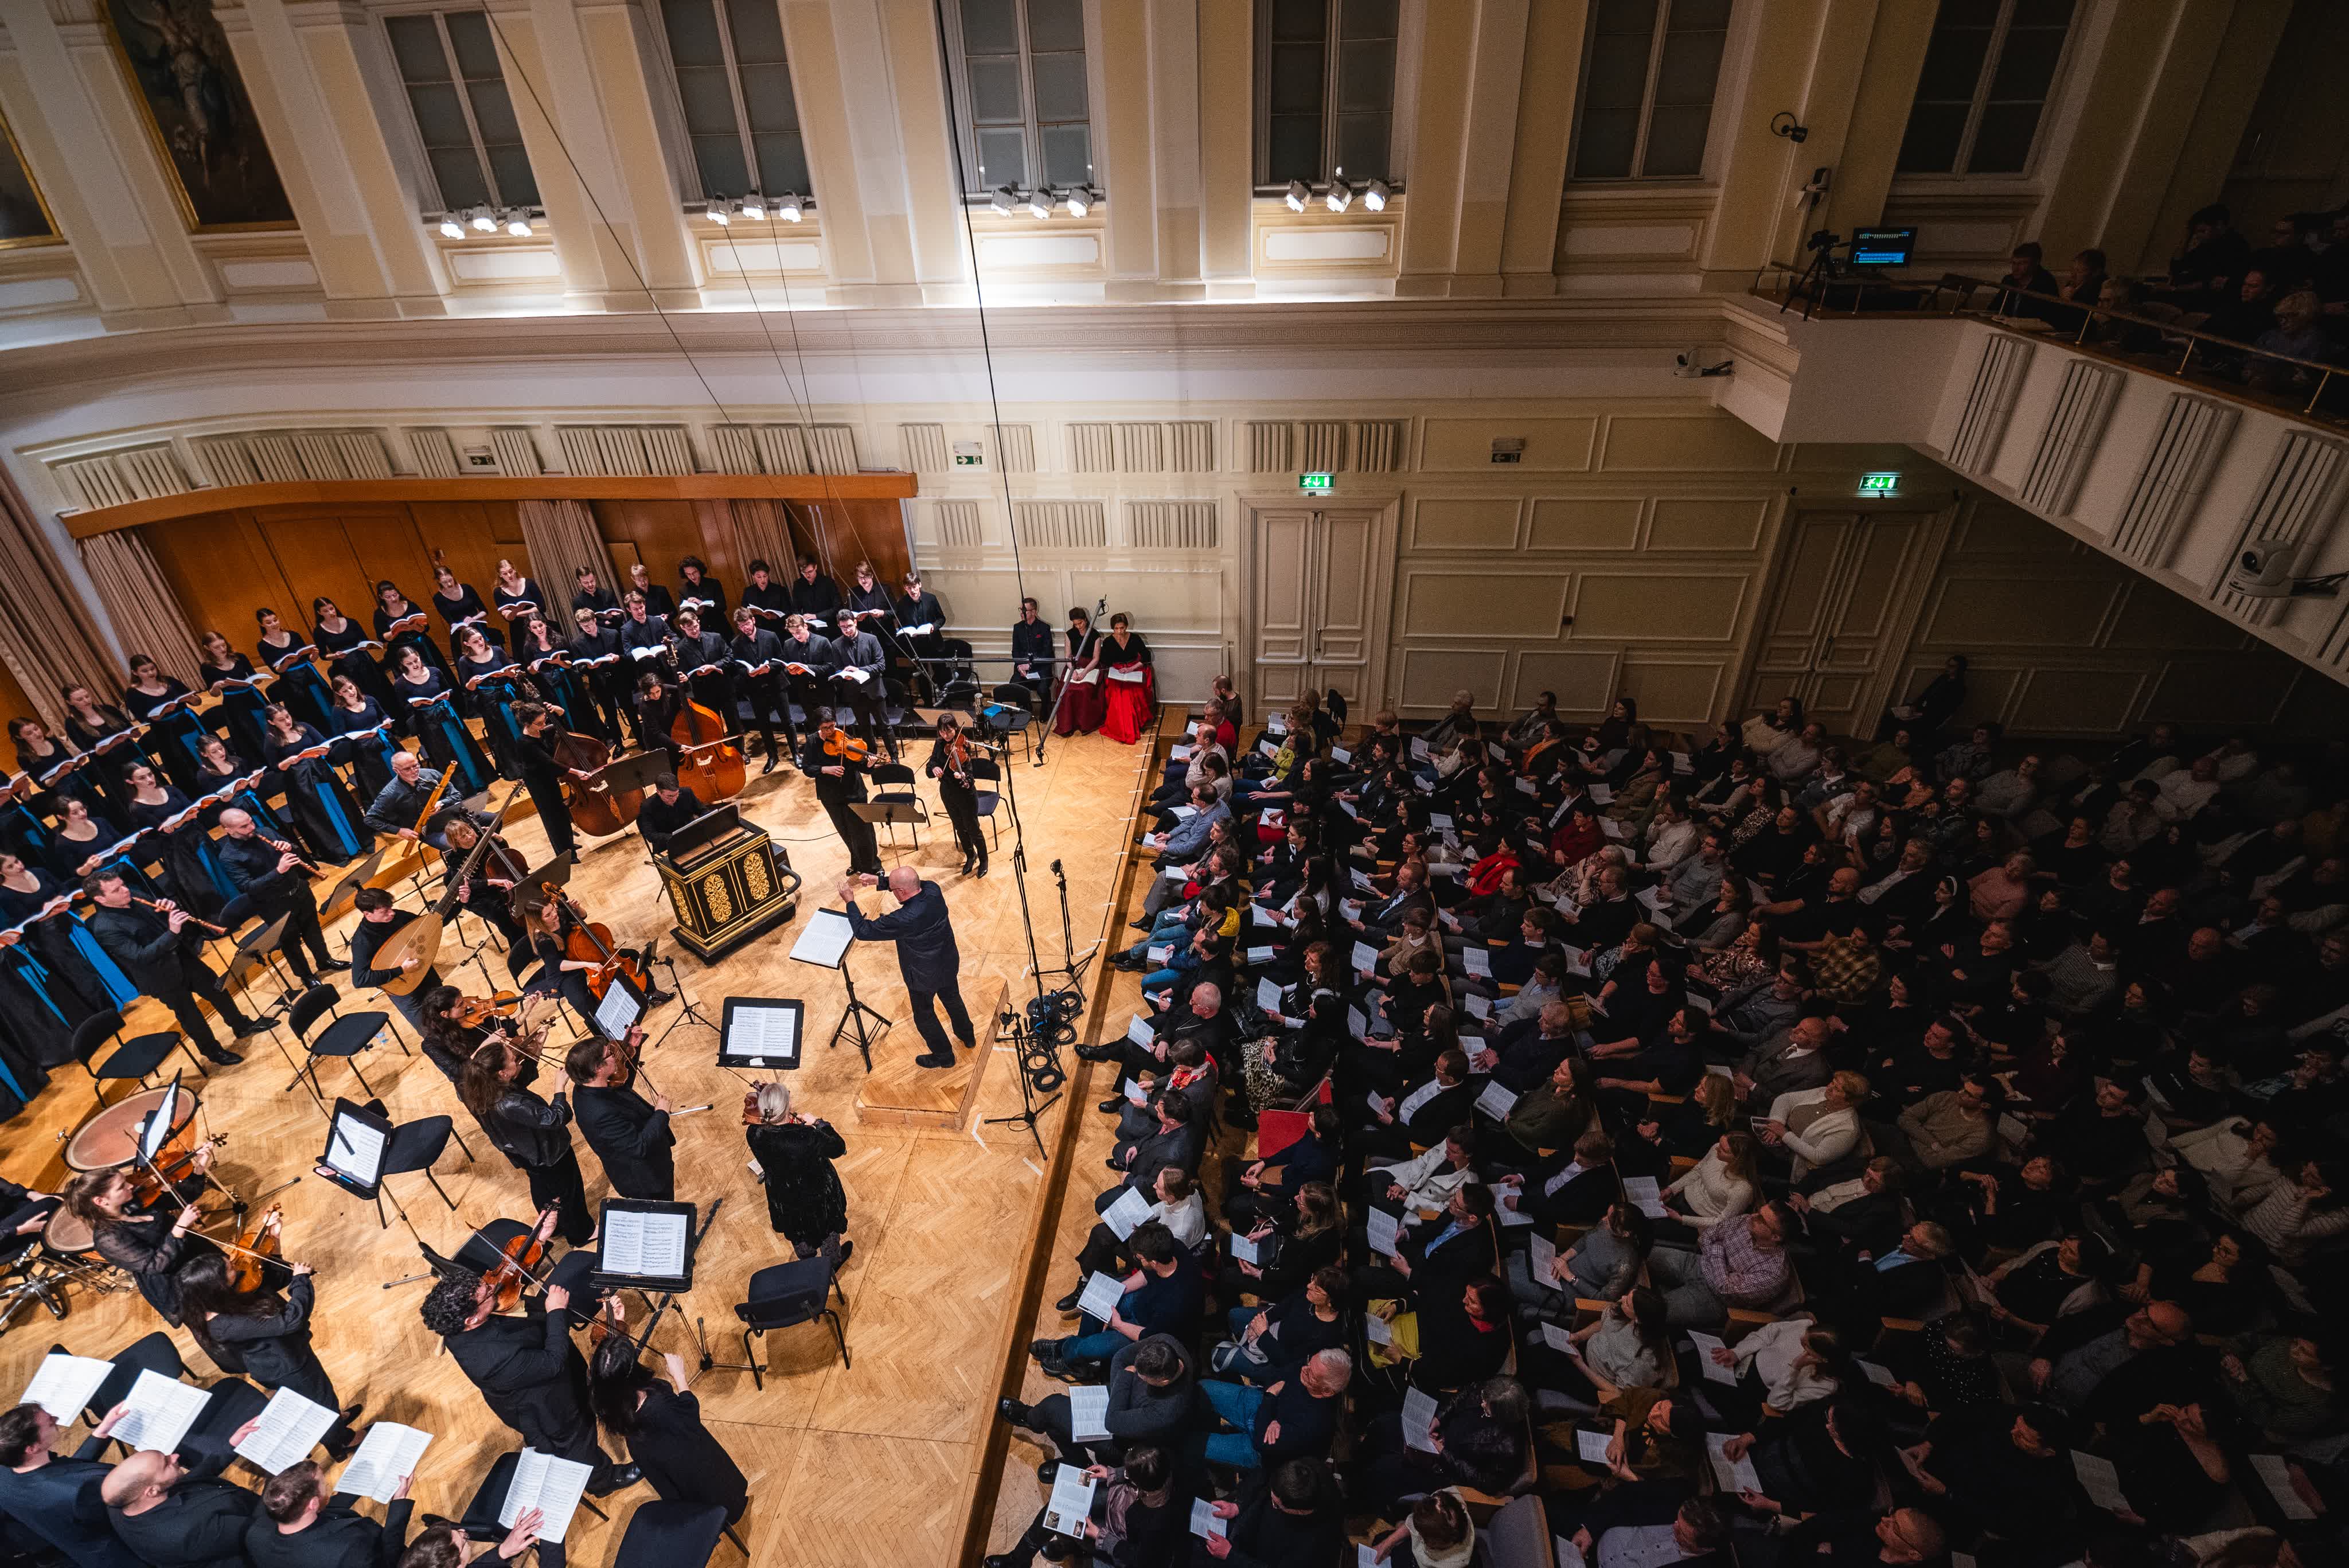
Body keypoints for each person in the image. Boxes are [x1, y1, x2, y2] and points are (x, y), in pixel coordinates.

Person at [420, 1267, 635, 1492]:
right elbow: (554, 1363)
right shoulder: (493, 1360)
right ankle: (604, 1481)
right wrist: (556, 1312)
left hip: (543, 1371)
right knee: (578, 1444)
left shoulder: (461, 1323)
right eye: (488, 1293)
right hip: (547, 1407)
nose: (494, 1287)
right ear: (472, 1319)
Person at [174, 1246, 360, 1460]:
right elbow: (291, 1320)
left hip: (283, 1357)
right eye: (231, 1268)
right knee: (321, 1404)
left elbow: (274, 1280)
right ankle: (342, 1442)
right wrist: (301, 1280)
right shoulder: (226, 1324)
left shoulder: (219, 1299)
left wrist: (274, 1242)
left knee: (319, 1400)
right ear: (217, 1286)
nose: (236, 1265)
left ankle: (335, 1423)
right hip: (287, 1367)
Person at [81, 870, 262, 1063]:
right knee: (191, 1016)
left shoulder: (136, 896)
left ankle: (242, 1026)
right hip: (160, 977)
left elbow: (165, 918)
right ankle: (213, 1052)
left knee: (219, 992)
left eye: (123, 885)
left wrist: (170, 908)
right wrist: (173, 931)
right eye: (117, 890)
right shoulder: (106, 928)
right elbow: (141, 957)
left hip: (184, 959)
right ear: (101, 899)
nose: (126, 890)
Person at [586, 1333, 747, 1528]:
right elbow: (690, 1413)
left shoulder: (613, 1409)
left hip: (673, 1480)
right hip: (698, 1467)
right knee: (720, 1492)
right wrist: (680, 1376)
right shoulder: (658, 1403)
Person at [459, 1033, 596, 1245]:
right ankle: (581, 1234)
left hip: (524, 1152)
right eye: (511, 1059)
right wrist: (559, 1088)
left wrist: (536, 1051)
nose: (516, 1058)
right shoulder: (510, 1103)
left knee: (542, 1186)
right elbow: (554, 1118)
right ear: (503, 1073)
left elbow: (521, 1079)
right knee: (569, 1191)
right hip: (547, 1154)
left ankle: (555, 1226)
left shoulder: (481, 1087)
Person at [839, 867, 977, 1068]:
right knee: (953, 999)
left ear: (901, 892)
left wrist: (850, 901)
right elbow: (913, 884)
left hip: (922, 977)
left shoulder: (903, 918)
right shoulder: (933, 890)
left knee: (924, 1016)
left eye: (894, 889)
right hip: (947, 962)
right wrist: (879, 881)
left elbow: (863, 931)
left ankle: (945, 1057)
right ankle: (968, 1036)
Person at [60, 1152, 219, 1327]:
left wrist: (199, 1168)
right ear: (101, 1201)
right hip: (182, 1282)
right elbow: (156, 1265)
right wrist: (179, 1228)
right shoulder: (108, 1239)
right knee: (222, 1320)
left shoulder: (135, 1201)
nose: (131, 1186)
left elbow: (180, 1198)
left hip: (198, 1254)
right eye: (121, 1187)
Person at [0, 1399, 141, 1568]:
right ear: (33, 1448)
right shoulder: (79, 1491)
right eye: (50, 1422)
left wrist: (102, 1431)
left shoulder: (7, 1471)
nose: (56, 1419)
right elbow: (129, 1514)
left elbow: (65, 1471)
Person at [214, 807, 341, 988]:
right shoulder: (229, 857)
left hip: (299, 891)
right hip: (274, 905)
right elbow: (248, 887)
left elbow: (296, 853)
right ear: (229, 830)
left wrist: (291, 848)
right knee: (290, 942)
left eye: (251, 821)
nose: (252, 828)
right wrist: (278, 871)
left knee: (313, 930)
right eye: (244, 827)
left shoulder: (266, 832)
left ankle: (325, 961)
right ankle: (306, 976)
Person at [101, 1441, 261, 1568]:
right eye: (166, 1463)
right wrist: (275, 1487)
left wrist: (230, 1447)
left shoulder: (122, 1503)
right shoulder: (186, 1533)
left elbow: (185, 1482)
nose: (175, 1456)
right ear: (151, 1492)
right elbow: (260, 1530)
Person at [744, 1080, 850, 1261]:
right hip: (818, 1199)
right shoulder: (807, 1137)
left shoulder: (754, 1134)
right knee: (828, 1232)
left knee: (798, 1234)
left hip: (785, 1199)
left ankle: (808, 1264)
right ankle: (831, 1263)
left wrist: (769, 1096)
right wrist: (819, 1123)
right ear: (790, 1104)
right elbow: (838, 1148)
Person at [565, 1030, 674, 1201]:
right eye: (610, 1053)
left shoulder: (587, 1085)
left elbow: (621, 1081)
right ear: (598, 1068)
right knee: (665, 1208)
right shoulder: (600, 1115)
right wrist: (661, 1113)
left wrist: (633, 1048)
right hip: (646, 1179)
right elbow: (639, 1147)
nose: (615, 1055)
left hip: (651, 1162)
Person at [244, 1459, 411, 1568]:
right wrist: (399, 1502)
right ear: (313, 1504)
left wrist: (359, 1483)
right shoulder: (349, 1550)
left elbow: (325, 1512)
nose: (328, 1487)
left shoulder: (256, 1532)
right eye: (324, 1484)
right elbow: (391, 1561)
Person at [348, 886, 442, 1037]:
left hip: (425, 974)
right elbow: (360, 980)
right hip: (403, 989)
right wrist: (401, 970)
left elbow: (429, 927)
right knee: (430, 1033)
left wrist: (461, 903)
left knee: (449, 1012)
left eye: (390, 908)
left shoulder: (399, 916)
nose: (392, 913)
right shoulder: (363, 941)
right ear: (367, 914)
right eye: (384, 912)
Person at [802, 711, 881, 877]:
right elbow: (807, 768)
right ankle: (857, 864)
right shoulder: (812, 741)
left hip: (853, 791)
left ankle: (874, 867)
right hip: (830, 795)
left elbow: (860, 765)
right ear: (818, 727)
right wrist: (825, 769)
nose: (831, 731)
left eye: (832, 726)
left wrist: (870, 766)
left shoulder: (843, 736)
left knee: (863, 830)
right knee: (845, 831)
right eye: (826, 728)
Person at [509, 703, 578, 858]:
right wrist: (576, 772)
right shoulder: (524, 743)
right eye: (539, 723)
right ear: (527, 724)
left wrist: (561, 712)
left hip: (549, 777)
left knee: (561, 811)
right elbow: (549, 762)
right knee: (552, 817)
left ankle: (569, 844)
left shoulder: (542, 731)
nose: (544, 725)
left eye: (544, 720)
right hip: (538, 783)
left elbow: (564, 731)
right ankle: (565, 854)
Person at [926, 712, 989, 876]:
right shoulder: (939, 743)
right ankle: (971, 856)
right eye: (942, 732)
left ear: (955, 728)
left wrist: (964, 776)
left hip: (965, 794)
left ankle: (984, 859)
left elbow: (970, 776)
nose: (946, 735)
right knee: (959, 827)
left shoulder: (963, 744)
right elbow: (931, 765)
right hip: (947, 792)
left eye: (949, 731)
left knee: (973, 828)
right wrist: (934, 768)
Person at [826, 607, 895, 759]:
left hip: (874, 690)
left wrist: (859, 670)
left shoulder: (871, 639)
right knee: (864, 728)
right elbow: (837, 667)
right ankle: (871, 756)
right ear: (839, 626)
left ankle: (894, 757)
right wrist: (843, 675)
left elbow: (881, 665)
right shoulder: (836, 644)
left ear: (855, 623)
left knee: (884, 726)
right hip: (854, 693)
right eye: (843, 627)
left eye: (849, 626)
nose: (847, 630)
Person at [634, 772, 707, 858]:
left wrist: (702, 824)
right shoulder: (647, 806)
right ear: (659, 792)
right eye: (669, 796)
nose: (674, 799)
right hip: (666, 846)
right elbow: (651, 835)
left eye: (677, 794)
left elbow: (703, 810)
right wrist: (676, 838)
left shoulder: (687, 793)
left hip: (691, 838)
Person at [1008, 595, 1055, 707]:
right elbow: (1015, 651)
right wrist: (1020, 666)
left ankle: (1046, 711)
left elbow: (1047, 653)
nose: (1021, 613)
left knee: (1043, 689)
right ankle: (1025, 710)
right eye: (1020, 610)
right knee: (1015, 685)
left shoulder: (1044, 628)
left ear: (1034, 612)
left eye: (1024, 611)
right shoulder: (1017, 628)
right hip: (1022, 668)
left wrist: (1030, 665)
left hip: (1041, 669)